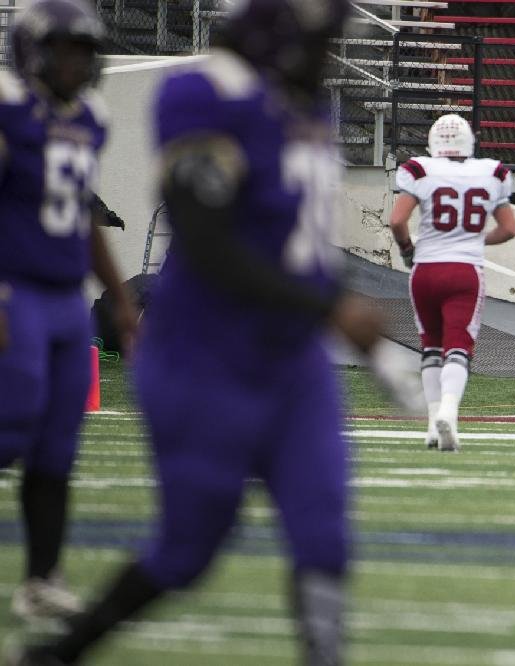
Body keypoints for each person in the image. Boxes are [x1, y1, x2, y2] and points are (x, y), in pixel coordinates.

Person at [9, 0, 412, 663]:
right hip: (205, 357)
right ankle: (62, 653)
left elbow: (295, 248)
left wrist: (334, 309)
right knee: (187, 550)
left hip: (292, 360)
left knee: (323, 529)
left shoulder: (307, 111)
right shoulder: (205, 92)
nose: (330, 53)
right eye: (321, 37)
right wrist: (329, 309)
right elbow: (205, 234)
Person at [0, 0, 137, 625]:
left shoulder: (87, 118)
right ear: (32, 51)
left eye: (84, 50)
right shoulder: (10, 113)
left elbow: (83, 219)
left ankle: (41, 579)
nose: (75, 62)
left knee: (57, 448)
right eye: (63, 49)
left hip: (63, 302)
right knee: (13, 421)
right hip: (15, 291)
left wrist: (124, 301)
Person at [389, 113, 515, 452]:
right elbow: (509, 229)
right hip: (465, 271)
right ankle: (449, 410)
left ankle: (433, 424)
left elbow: (397, 220)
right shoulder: (491, 172)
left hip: (426, 270)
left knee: (430, 346)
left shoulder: (420, 169)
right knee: (458, 348)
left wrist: (407, 249)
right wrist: (474, 239)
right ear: (469, 141)